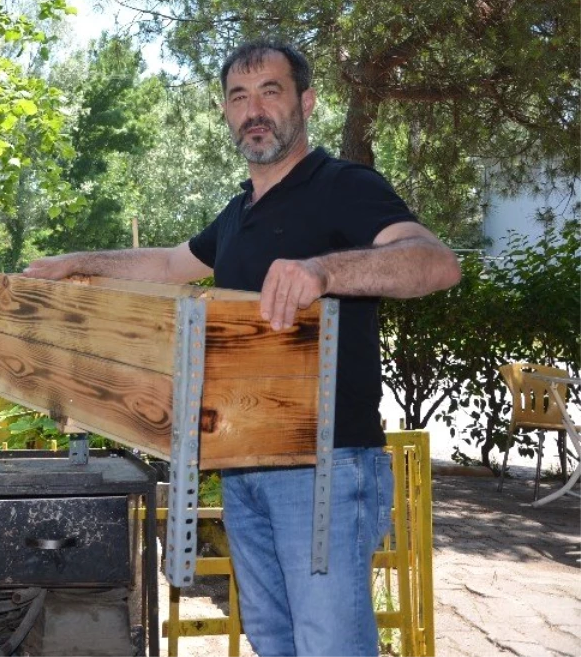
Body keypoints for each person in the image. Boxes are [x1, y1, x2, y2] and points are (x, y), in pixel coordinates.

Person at [23, 40, 460, 657]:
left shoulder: (343, 186)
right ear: (227, 115)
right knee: (274, 641)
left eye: (270, 92)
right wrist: (78, 263)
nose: (254, 109)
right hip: (243, 465)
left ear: (305, 102)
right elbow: (173, 263)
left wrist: (323, 272)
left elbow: (435, 263)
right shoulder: (237, 215)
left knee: (329, 645)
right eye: (239, 97)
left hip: (325, 469)